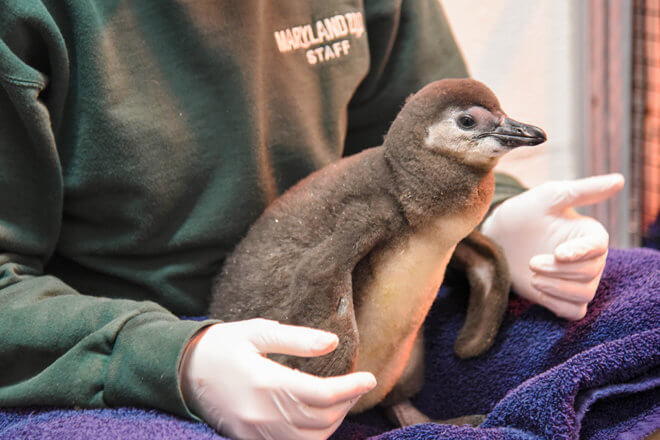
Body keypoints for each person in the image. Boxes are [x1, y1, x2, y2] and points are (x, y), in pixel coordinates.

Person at [0, 1, 624, 439]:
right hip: (123, 338)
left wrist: (506, 217)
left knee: (631, 305)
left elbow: (418, 124)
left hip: (370, 312)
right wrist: (170, 358)